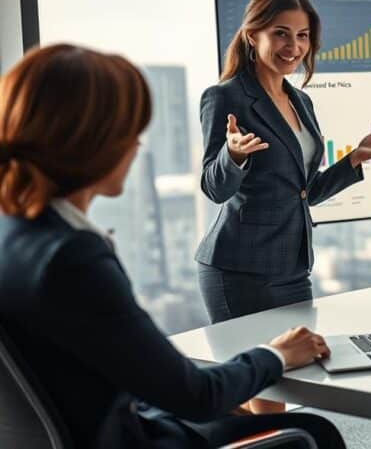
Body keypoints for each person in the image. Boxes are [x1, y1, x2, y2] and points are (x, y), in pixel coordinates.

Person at [0, 44, 343, 449]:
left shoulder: (17, 233)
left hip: (107, 423)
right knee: (315, 433)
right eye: (131, 132)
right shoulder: (73, 258)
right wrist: (278, 355)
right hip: (130, 438)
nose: (136, 148)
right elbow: (197, 396)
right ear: (95, 141)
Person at [196, 0, 371, 324]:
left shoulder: (302, 102)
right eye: (280, 34)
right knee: (261, 373)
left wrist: (354, 159)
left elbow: (304, 193)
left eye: (302, 36)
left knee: (302, 364)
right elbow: (214, 188)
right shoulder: (225, 97)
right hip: (240, 270)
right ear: (253, 35)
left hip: (294, 269)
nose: (293, 47)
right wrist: (233, 155)